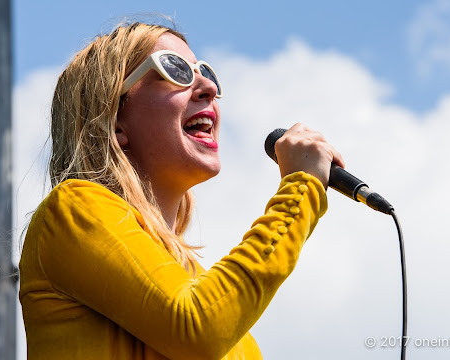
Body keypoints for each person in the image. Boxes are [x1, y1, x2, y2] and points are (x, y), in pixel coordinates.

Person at [19, 21, 344, 359]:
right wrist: (300, 190)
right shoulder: (73, 210)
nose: (207, 87)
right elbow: (197, 327)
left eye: (206, 73)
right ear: (114, 121)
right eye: (174, 70)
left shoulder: (231, 323)